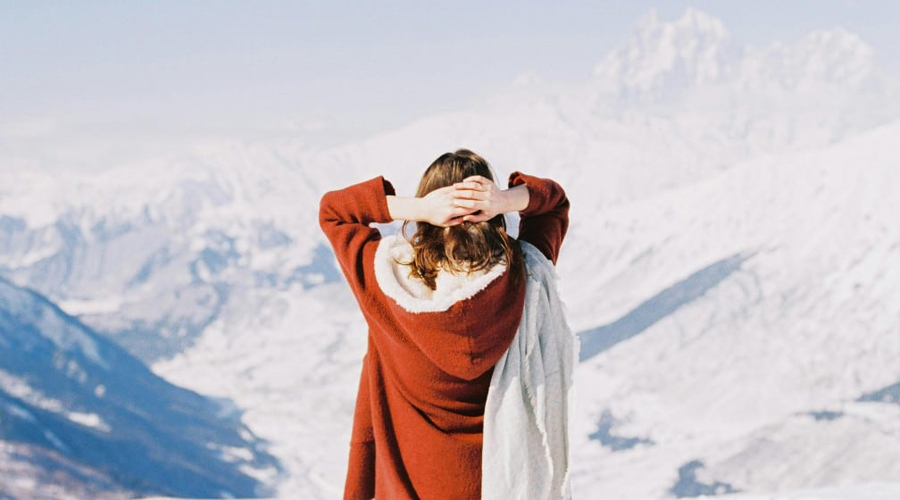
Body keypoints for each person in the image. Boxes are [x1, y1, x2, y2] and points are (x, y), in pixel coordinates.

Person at [318, 148, 570, 499]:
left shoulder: (384, 286)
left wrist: (419, 207)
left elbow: (334, 211)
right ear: (493, 216)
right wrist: (504, 199)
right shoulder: (526, 276)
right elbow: (554, 202)